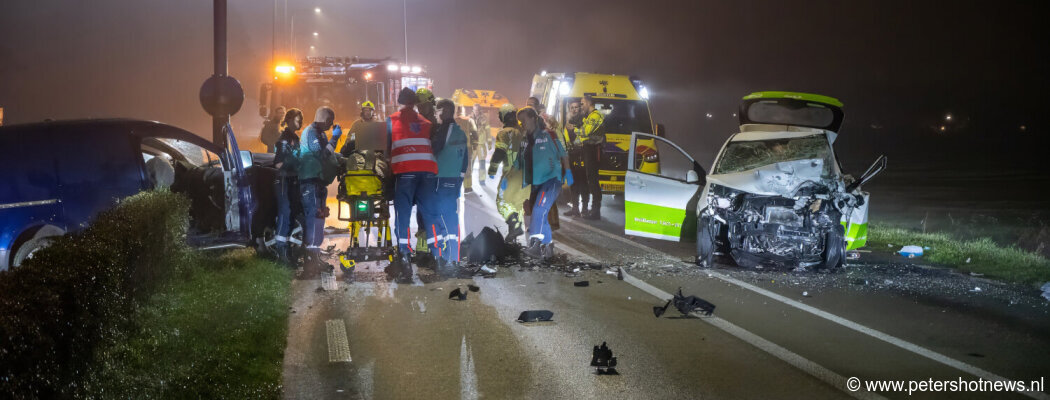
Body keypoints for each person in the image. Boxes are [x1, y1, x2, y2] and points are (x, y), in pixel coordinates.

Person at [389, 88, 437, 277]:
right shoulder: (426, 122)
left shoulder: (392, 120)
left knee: (403, 215)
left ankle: (404, 256)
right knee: (428, 215)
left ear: (399, 101)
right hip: (427, 172)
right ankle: (437, 256)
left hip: (405, 172)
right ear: (415, 103)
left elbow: (386, 147)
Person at [516, 107, 570, 261]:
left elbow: (563, 154)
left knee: (539, 210)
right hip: (535, 183)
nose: (522, 123)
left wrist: (569, 173)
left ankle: (536, 245)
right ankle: (548, 248)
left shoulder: (549, 135)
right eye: (520, 121)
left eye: (524, 120)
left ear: (533, 118)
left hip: (552, 180)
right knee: (541, 214)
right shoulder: (525, 140)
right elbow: (519, 162)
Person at [296, 106, 344, 264]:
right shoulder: (311, 133)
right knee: (313, 217)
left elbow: (327, 153)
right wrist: (334, 139)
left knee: (319, 218)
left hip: (318, 181)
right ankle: (310, 259)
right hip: (310, 181)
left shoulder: (320, 133)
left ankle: (315, 255)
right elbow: (322, 154)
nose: (331, 125)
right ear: (323, 119)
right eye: (330, 121)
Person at [428, 98, 470, 275]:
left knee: (439, 217)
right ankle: (452, 256)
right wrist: (460, 179)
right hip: (453, 179)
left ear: (444, 111)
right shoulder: (460, 131)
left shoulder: (445, 129)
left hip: (440, 177)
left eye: (438, 111)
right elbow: (465, 158)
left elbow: (434, 149)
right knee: (450, 217)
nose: (436, 114)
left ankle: (445, 258)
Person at [489, 104, 527, 242]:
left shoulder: (504, 133)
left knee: (502, 202)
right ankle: (512, 237)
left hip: (510, 174)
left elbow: (499, 152)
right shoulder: (524, 131)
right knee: (516, 204)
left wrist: (492, 169)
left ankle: (515, 226)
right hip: (525, 175)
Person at [273, 108, 304, 265]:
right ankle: (281, 254)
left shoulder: (295, 138)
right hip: (284, 181)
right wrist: (293, 160)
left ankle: (289, 253)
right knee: (285, 214)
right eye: (297, 120)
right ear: (290, 120)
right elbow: (278, 163)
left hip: (293, 181)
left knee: (291, 215)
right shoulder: (285, 138)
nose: (300, 123)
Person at [579, 95, 605, 220]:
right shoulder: (589, 116)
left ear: (589, 103)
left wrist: (575, 130)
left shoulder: (595, 116)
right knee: (591, 180)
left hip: (593, 150)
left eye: (583, 103)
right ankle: (594, 210)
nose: (581, 106)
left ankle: (595, 211)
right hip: (589, 149)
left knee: (593, 181)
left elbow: (585, 132)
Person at [562, 100, 588, 217]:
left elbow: (583, 137)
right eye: (572, 107)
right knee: (573, 184)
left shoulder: (584, 122)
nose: (574, 109)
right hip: (571, 156)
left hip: (582, 156)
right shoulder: (568, 123)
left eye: (576, 107)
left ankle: (585, 209)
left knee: (583, 184)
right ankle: (575, 209)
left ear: (580, 109)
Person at [465, 104, 492, 190]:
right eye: (474, 110)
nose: (476, 112)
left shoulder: (484, 119)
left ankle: (482, 180)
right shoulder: (469, 118)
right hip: (472, 145)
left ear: (480, 110)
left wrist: (489, 142)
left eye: (477, 110)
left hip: (481, 145)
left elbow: (488, 131)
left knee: (482, 163)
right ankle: (468, 181)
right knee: (470, 163)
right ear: (472, 110)